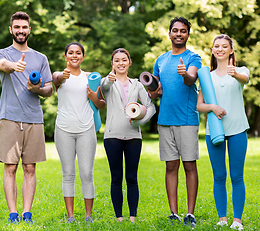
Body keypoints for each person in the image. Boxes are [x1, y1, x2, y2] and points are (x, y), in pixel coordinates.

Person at [0, 11, 53, 224]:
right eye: (16, 27)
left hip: (34, 119)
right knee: (10, 167)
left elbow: (49, 90)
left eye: (24, 27)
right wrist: (14, 66)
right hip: (9, 117)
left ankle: (27, 213)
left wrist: (35, 88)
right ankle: (13, 213)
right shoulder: (2, 53)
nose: (20, 31)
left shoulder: (41, 58)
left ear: (29, 29)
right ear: (11, 29)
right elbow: (2, 66)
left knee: (30, 167)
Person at [148, 16, 202, 228]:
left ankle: (190, 213)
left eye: (183, 31)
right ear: (169, 33)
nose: (179, 34)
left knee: (189, 165)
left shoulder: (193, 58)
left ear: (188, 34)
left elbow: (191, 79)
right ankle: (174, 213)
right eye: (175, 30)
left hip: (187, 119)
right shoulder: (160, 60)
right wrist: (153, 91)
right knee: (171, 166)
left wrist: (184, 75)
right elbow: (155, 90)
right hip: (165, 120)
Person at [197, 34, 249, 230]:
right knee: (219, 175)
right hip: (214, 132)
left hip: (237, 130)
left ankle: (237, 220)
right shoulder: (206, 77)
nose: (220, 49)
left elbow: (244, 78)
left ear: (231, 50)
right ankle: (222, 219)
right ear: (212, 50)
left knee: (237, 176)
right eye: (216, 46)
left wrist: (234, 73)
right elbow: (199, 105)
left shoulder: (240, 71)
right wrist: (212, 107)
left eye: (224, 46)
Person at [52, 42, 106, 223]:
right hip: (63, 130)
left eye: (78, 53)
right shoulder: (59, 76)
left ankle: (89, 216)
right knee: (68, 173)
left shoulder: (90, 77)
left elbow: (101, 105)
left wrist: (94, 97)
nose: (74, 55)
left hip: (86, 129)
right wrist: (62, 76)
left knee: (86, 173)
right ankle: (71, 216)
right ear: (65, 56)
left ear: (83, 57)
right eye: (70, 53)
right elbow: (57, 79)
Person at [101, 48, 156, 223]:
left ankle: (132, 217)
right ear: (112, 64)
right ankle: (119, 217)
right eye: (117, 60)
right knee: (116, 177)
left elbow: (151, 107)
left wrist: (139, 122)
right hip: (112, 136)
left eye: (124, 60)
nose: (121, 63)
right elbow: (104, 87)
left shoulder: (137, 85)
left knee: (132, 178)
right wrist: (109, 80)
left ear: (129, 62)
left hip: (134, 137)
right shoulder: (107, 81)